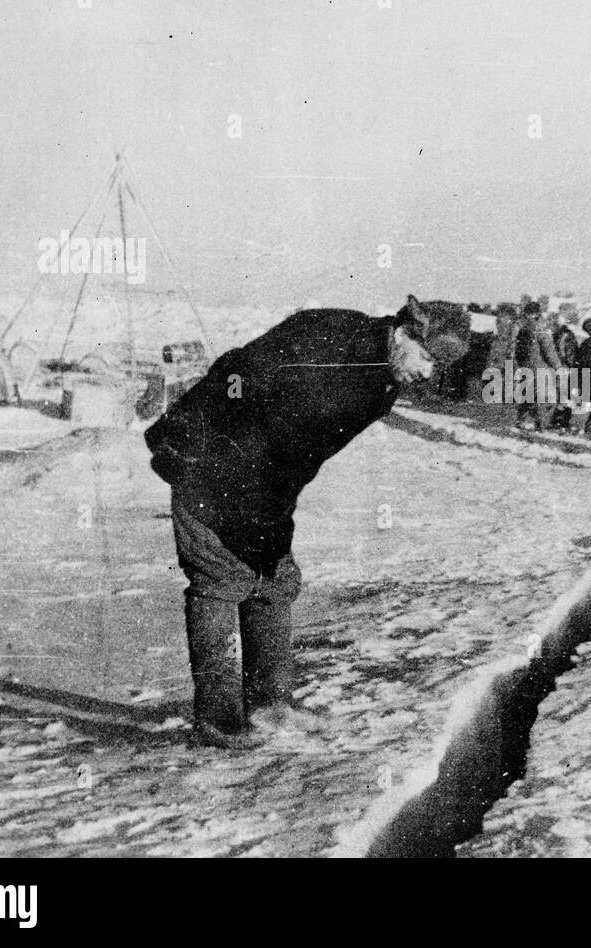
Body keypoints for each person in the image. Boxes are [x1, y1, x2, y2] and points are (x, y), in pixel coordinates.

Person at [144, 296, 438, 747]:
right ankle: (219, 722)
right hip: (208, 460)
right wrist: (190, 443)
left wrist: (273, 499)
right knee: (220, 577)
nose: (425, 374)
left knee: (273, 578)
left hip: (268, 484)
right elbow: (236, 373)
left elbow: (304, 443)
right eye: (426, 358)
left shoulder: (382, 383)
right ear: (404, 333)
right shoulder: (329, 337)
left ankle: (269, 706)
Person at [513, 301, 562, 430]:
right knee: (545, 399)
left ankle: (522, 421)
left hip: (524, 368)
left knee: (526, 396)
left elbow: (517, 352)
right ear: (538, 314)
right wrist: (558, 367)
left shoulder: (522, 330)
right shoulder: (540, 330)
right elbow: (549, 352)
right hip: (540, 369)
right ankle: (541, 426)